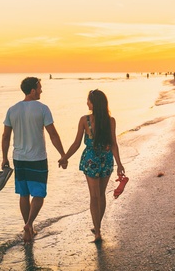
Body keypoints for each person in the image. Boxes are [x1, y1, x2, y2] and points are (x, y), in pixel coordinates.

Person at [1, 77, 67, 243]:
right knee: (38, 194)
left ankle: (27, 228)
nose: (41, 90)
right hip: (37, 158)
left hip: (19, 159)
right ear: (32, 90)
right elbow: (53, 134)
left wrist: (4, 158)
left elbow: (5, 136)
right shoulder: (42, 109)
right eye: (39, 87)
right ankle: (29, 224)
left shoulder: (12, 109)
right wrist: (63, 155)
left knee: (24, 194)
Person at [58, 89, 125, 243]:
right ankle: (98, 227)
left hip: (91, 161)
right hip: (106, 159)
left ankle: (98, 232)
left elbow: (76, 143)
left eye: (88, 100)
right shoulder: (110, 120)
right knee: (101, 195)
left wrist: (64, 157)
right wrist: (119, 164)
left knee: (94, 197)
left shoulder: (84, 120)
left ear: (93, 103)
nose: (86, 102)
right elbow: (113, 144)